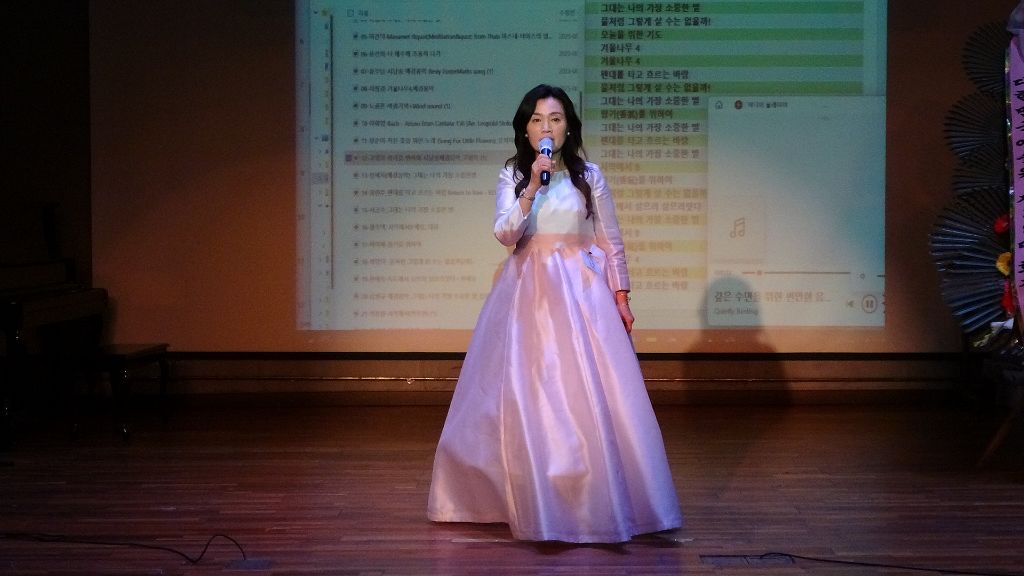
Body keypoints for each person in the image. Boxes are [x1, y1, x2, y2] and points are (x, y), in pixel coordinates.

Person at [427, 84, 682, 543]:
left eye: (556, 119)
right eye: (538, 120)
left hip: (582, 293)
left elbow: (610, 240)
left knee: (591, 394)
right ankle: (527, 496)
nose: (547, 128)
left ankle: (597, 498)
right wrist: (530, 188)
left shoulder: (590, 176)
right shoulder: (513, 175)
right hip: (528, 294)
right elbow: (506, 234)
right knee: (530, 393)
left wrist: (621, 296)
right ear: (526, 130)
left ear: (569, 127)